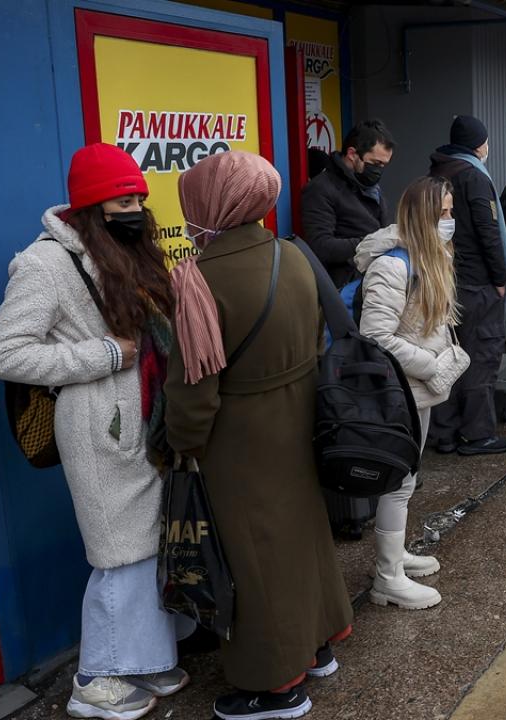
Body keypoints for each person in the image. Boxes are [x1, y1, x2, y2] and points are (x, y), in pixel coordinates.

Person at [0, 143, 187, 720]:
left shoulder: (125, 251)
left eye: (140, 198)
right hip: (101, 429)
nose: (135, 209)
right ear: (93, 204)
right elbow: (4, 353)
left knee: (147, 549)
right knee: (117, 554)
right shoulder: (45, 264)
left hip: (146, 425)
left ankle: (143, 660)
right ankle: (96, 681)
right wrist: (99, 354)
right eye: (124, 198)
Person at [163, 151, 353, 719]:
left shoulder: (200, 280)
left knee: (253, 555)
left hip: (240, 438)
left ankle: (276, 686)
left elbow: (193, 388)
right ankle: (318, 644)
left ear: (212, 205)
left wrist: (182, 444)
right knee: (302, 535)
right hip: (299, 419)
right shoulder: (292, 254)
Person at [355, 176, 461, 610]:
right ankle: (387, 578)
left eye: (452, 212)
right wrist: (429, 364)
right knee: (397, 483)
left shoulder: (429, 257)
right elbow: (374, 335)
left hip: (417, 388)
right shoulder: (393, 265)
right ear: (420, 217)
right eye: (442, 214)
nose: (449, 222)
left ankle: (394, 556)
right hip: (401, 388)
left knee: (407, 479)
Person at [429, 115, 506, 456]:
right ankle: (477, 434)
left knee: (447, 357)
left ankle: (445, 433)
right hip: (477, 282)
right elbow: (489, 231)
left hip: (445, 280)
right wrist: (500, 278)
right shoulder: (474, 177)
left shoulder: (437, 172)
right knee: (481, 356)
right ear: (478, 144)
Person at [301, 120, 394, 287]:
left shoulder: (370, 187)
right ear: (352, 154)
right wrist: (372, 242)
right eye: (375, 164)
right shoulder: (320, 189)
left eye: (384, 165)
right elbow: (320, 246)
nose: (379, 171)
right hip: (345, 289)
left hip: (376, 280)